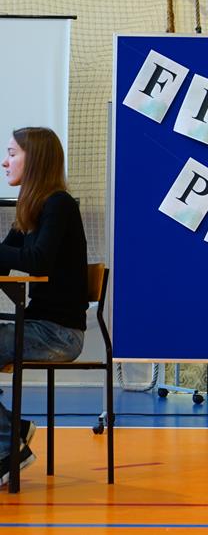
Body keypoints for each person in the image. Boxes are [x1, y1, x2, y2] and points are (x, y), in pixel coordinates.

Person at [0, 127, 88, 486]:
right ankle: (13, 429)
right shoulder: (33, 208)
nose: (5, 162)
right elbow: (5, 261)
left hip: (59, 335)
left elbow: (37, 261)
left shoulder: (58, 204)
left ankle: (8, 446)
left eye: (12, 154)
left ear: (34, 160)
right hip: (39, 327)